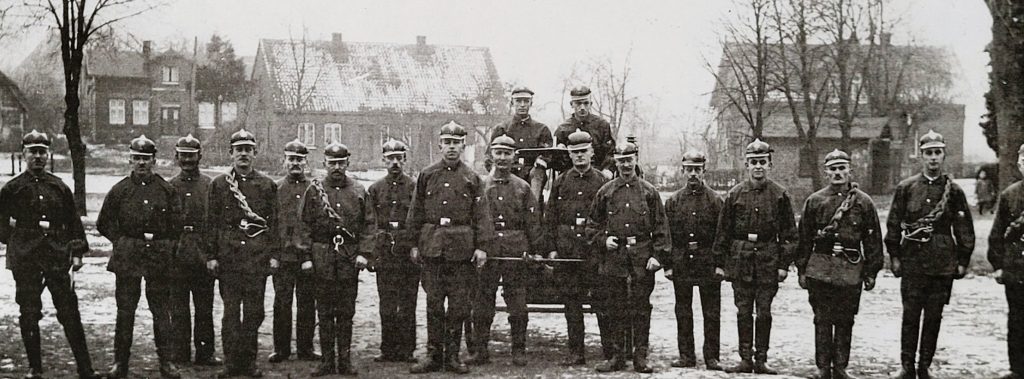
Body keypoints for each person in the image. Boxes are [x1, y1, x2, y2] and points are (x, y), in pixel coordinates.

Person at [0, 130, 101, 379]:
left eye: (42, 152)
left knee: (69, 312)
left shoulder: (59, 187)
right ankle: (35, 369)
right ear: (23, 154)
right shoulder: (13, 189)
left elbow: (73, 223)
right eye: (32, 151)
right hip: (27, 260)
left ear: (49, 155)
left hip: (56, 258)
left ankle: (85, 369)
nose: (37, 156)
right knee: (29, 312)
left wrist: (76, 252)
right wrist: (18, 243)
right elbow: (1, 224)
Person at [885, 130, 974, 379]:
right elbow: (893, 224)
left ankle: (925, 365)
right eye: (928, 153)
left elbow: (964, 227)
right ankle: (906, 365)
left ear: (944, 155)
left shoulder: (953, 191)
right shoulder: (906, 188)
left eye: (937, 153)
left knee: (934, 315)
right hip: (913, 259)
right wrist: (895, 256)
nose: (933, 158)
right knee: (910, 314)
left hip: (942, 262)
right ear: (921, 156)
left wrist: (963, 260)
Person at [408, 121, 493, 374]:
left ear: (463, 145)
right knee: (434, 304)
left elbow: (481, 215)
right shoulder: (426, 175)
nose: (451, 148)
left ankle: (453, 356)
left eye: (456, 143)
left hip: (461, 251)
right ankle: (433, 355)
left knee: (458, 306)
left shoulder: (472, 178)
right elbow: (416, 212)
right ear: (440, 145)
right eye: (447, 143)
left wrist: (481, 247)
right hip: (432, 248)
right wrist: (413, 244)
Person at [98, 135, 183, 378]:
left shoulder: (166, 190)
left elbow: (177, 225)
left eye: (146, 159)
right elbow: (104, 222)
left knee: (161, 311)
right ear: (130, 160)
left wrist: (165, 246)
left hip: (158, 257)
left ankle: (166, 362)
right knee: (125, 311)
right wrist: (122, 242)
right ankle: (120, 363)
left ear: (154, 160)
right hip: (128, 258)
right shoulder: (120, 190)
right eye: (137, 158)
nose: (142, 163)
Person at [796, 149, 884, 379]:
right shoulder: (815, 201)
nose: (837, 173)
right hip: (821, 268)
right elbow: (804, 238)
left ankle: (841, 367)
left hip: (850, 267)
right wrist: (802, 269)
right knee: (822, 318)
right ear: (826, 173)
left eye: (842, 168)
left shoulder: (863, 202)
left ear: (849, 171)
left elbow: (872, 238)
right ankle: (823, 367)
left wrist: (871, 271)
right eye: (833, 169)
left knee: (846, 318)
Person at [713, 138, 797, 375]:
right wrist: (720, 263)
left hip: (768, 259)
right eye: (753, 162)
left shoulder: (780, 195)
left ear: (770, 165)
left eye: (762, 162)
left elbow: (790, 234)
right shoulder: (735, 195)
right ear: (746, 165)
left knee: (764, 312)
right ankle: (745, 358)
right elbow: (723, 232)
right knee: (742, 311)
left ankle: (761, 358)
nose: (758, 167)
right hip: (741, 259)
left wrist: (783, 264)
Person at [588, 141, 670, 373]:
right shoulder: (605, 192)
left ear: (636, 159)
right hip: (614, 258)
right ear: (615, 161)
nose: (625, 164)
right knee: (615, 306)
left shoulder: (649, 192)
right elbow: (592, 225)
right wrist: (604, 240)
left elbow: (662, 227)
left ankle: (640, 356)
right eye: (621, 160)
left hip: (642, 257)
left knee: (641, 307)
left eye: (629, 159)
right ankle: (617, 356)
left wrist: (658, 256)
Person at [465, 134, 545, 367]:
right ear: (490, 155)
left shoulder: (523, 188)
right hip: (488, 250)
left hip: (515, 250)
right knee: (482, 301)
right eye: (498, 153)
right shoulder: (480, 185)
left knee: (518, 303)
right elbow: (472, 219)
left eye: (507, 153)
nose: (502, 158)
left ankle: (518, 351)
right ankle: (481, 350)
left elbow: (533, 223)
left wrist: (535, 250)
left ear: (514, 157)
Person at [206, 129, 278, 378]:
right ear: (231, 154)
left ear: (255, 153)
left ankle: (249, 363)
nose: (244, 154)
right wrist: (212, 256)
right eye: (239, 150)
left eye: (248, 150)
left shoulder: (267, 185)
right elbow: (211, 223)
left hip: (256, 259)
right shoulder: (219, 185)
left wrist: (272, 255)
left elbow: (274, 224)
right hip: (230, 259)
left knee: (254, 313)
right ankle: (230, 364)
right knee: (230, 314)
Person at [300, 142, 371, 376]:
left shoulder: (359, 191)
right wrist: (307, 256)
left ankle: (345, 360)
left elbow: (369, 225)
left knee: (346, 311)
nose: (337, 168)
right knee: (325, 311)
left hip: (349, 258)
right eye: (332, 163)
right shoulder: (314, 190)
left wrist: (363, 253)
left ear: (348, 163)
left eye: (341, 163)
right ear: (324, 164)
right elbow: (304, 225)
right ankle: (327, 362)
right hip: (322, 258)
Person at [544, 128, 612, 365]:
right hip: (568, 253)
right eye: (575, 152)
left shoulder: (604, 182)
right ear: (569, 155)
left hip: (595, 254)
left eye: (584, 151)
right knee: (571, 304)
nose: (580, 156)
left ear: (592, 152)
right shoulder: (562, 182)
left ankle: (609, 352)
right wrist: (552, 249)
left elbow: (609, 218)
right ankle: (576, 352)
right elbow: (550, 217)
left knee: (602, 302)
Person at [663, 150, 723, 371]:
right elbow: (666, 235)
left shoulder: (716, 201)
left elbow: (722, 235)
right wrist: (668, 264)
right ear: (682, 171)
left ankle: (712, 357)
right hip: (682, 262)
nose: (693, 174)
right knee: (683, 311)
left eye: (697, 169)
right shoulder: (673, 201)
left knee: (711, 312)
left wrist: (720, 264)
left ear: (704, 171)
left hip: (707, 261)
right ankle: (686, 355)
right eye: (689, 169)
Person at [168, 134, 222, 367]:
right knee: (178, 308)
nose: (188, 160)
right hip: (178, 256)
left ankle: (205, 353)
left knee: (204, 308)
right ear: (177, 157)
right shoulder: (169, 187)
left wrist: (213, 255)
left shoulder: (211, 186)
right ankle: (179, 353)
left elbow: (217, 223)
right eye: (184, 156)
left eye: (192, 156)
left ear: (200, 156)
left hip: (203, 255)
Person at [366, 139, 419, 363]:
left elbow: (418, 218)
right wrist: (372, 252)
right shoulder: (375, 189)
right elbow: (370, 222)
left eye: (399, 158)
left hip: (407, 250)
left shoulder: (415, 187)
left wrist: (416, 246)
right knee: (387, 303)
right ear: (383, 160)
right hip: (385, 250)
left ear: (405, 160)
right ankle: (388, 348)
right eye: (390, 159)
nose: (395, 163)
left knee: (408, 302)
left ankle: (407, 350)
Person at [269, 139, 319, 363]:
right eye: (291, 159)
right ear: (284, 161)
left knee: (307, 303)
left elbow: (317, 224)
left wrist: (311, 255)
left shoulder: (314, 189)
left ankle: (306, 348)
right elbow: (269, 225)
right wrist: (273, 255)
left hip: (307, 258)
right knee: (282, 303)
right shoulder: (275, 188)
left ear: (306, 162)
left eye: (299, 160)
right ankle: (281, 349)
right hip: (283, 257)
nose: (295, 163)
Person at [989, 143, 1024, 379]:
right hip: (1017, 269)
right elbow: (997, 233)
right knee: (1017, 320)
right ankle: (1017, 369)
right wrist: (998, 265)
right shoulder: (1009, 195)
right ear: (1020, 164)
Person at [487, 86, 553, 199]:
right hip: (507, 176)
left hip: (532, 179)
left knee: (538, 173)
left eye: (526, 101)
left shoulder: (541, 130)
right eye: (518, 101)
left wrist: (540, 162)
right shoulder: (502, 129)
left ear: (531, 103)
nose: (522, 105)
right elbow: (489, 157)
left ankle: (533, 207)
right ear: (512, 103)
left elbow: (548, 156)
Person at [554, 86, 616, 178]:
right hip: (571, 176)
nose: (582, 107)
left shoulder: (602, 125)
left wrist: (608, 170)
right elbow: (557, 161)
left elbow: (610, 152)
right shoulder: (563, 129)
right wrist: (559, 152)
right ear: (572, 104)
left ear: (591, 104)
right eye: (578, 103)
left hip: (598, 174)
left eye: (586, 103)